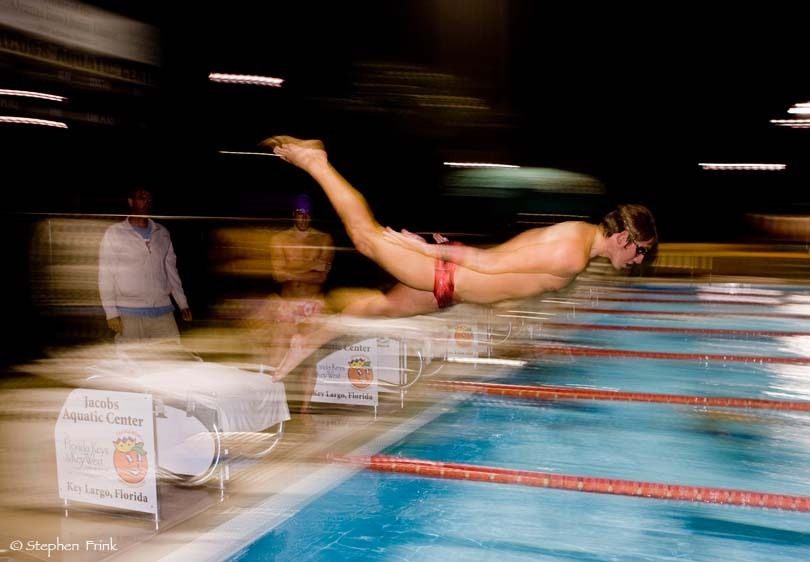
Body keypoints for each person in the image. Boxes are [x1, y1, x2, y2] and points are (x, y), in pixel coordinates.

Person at [260, 136, 657, 380]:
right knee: (367, 236)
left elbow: (512, 276)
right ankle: (317, 162)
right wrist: (425, 249)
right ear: (623, 237)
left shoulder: (579, 240)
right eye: (640, 252)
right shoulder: (572, 252)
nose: (638, 261)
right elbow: (491, 264)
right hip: (445, 274)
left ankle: (306, 342)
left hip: (449, 288)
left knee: (380, 308)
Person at [246, 194, 334, 411]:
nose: (303, 218)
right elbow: (278, 275)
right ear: (293, 214)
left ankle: (305, 409)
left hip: (313, 303)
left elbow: (321, 277)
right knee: (277, 353)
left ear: (312, 216)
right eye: (299, 213)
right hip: (287, 303)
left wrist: (292, 271)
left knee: (309, 355)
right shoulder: (280, 239)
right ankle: (272, 406)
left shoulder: (323, 239)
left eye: (307, 214)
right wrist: (310, 268)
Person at [98, 187, 192, 343]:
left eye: (149, 198)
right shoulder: (115, 233)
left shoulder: (162, 232)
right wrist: (111, 312)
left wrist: (182, 303)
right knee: (132, 361)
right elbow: (106, 274)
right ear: (131, 201)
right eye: (141, 197)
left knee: (172, 358)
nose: (146, 201)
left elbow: (171, 271)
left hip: (163, 310)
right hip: (129, 313)